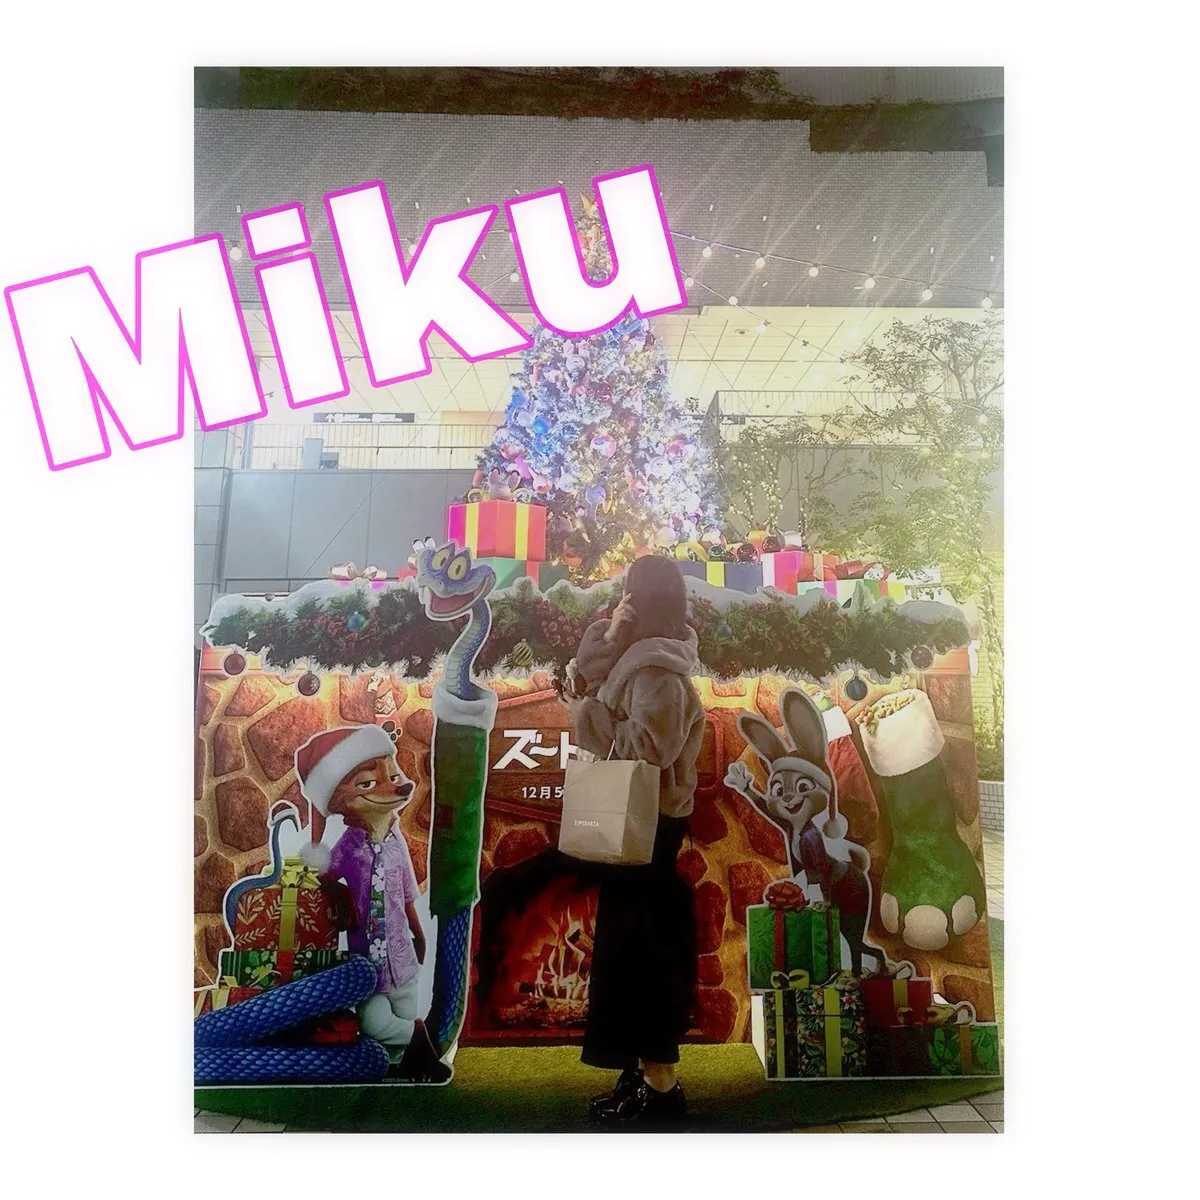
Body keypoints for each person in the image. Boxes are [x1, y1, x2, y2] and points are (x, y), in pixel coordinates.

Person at [564, 554, 705, 1127]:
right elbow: (586, 680)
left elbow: (652, 747)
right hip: (637, 821)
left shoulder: (657, 669)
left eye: (628, 593)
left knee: (642, 954)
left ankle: (661, 1085)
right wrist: (612, 633)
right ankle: (640, 1077)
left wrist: (587, 717)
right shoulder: (638, 655)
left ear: (642, 598)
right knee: (625, 952)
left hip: (651, 824)